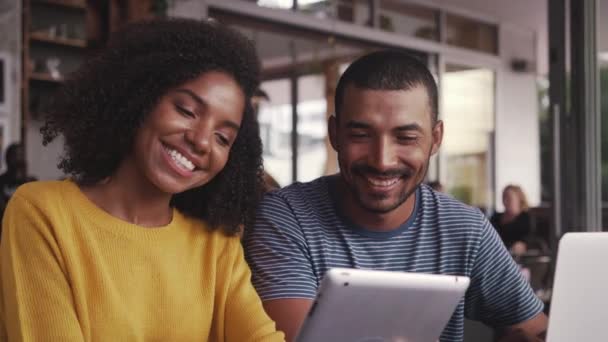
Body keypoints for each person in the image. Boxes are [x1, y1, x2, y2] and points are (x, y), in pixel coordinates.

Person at [0, 19, 283, 341]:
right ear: (140, 99)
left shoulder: (216, 245)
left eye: (223, 137)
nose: (202, 141)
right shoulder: (42, 212)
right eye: (186, 110)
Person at [243, 50, 547, 342]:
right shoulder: (286, 217)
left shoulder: (465, 228)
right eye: (361, 135)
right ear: (334, 134)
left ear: (436, 139)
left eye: (406, 138)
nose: (382, 160)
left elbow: (537, 328)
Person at [490, 185, 532, 255]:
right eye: (504, 197)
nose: (505, 201)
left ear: (519, 199)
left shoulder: (526, 218)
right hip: (496, 253)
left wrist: (523, 245)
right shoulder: (495, 217)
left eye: (509, 198)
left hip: (519, 256)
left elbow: (530, 239)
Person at [0, 143, 36, 221]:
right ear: (7, 159)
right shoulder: (1, 181)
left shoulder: (32, 182)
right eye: (14, 155)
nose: (18, 159)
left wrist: (25, 178)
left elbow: (33, 209)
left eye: (20, 155)